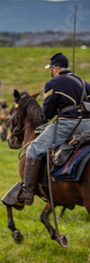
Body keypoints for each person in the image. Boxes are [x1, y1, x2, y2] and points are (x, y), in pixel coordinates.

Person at [17, 53, 90, 205]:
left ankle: (28, 192)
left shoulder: (53, 83)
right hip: (88, 126)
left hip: (68, 125)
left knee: (34, 149)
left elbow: (48, 113)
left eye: (50, 68)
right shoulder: (85, 83)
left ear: (55, 68)